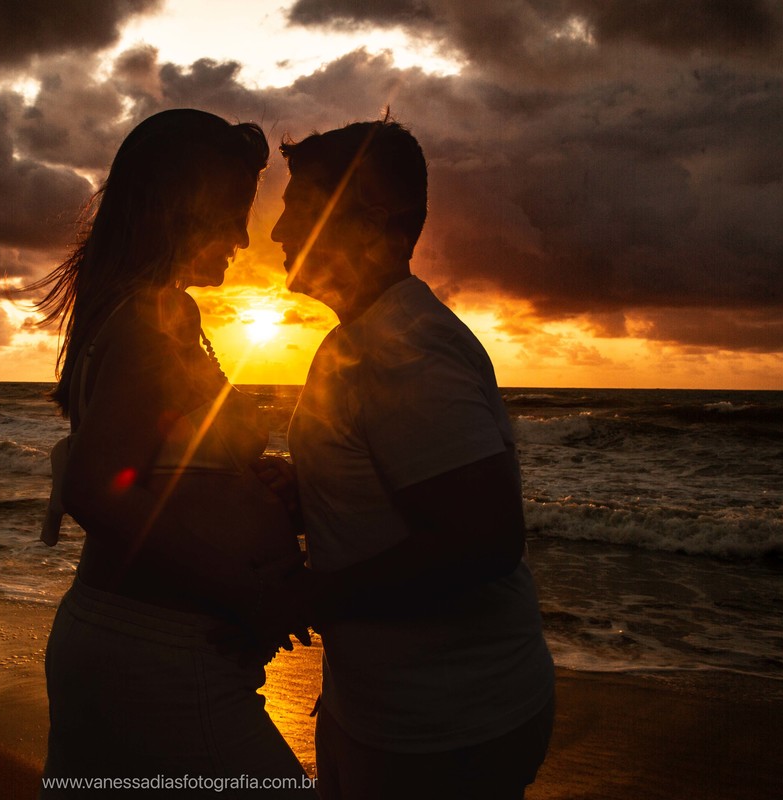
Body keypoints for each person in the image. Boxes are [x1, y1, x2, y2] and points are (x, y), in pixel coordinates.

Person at [33, 109, 315, 797]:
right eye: (228, 212)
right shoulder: (143, 323)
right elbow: (98, 487)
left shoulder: (159, 314)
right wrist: (245, 589)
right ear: (176, 209)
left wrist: (246, 480)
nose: (243, 236)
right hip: (156, 654)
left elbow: (157, 462)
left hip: (137, 646)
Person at [272, 117, 556, 799]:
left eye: (299, 212)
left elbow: (483, 540)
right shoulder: (360, 338)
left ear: (372, 223)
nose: (279, 233)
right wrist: (304, 488)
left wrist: (314, 595)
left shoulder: (406, 351)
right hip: (389, 709)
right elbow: (389, 488)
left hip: (446, 728)